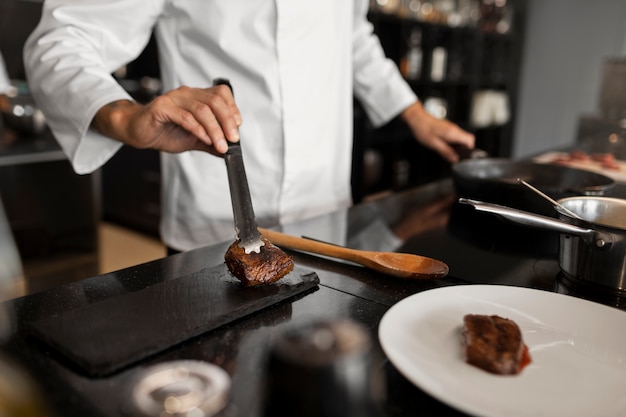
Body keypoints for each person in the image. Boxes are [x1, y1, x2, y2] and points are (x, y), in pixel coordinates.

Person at [24, 1, 474, 253]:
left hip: (327, 211)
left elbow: (353, 36)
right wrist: (124, 116)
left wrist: (415, 115)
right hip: (214, 221)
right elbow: (62, 39)